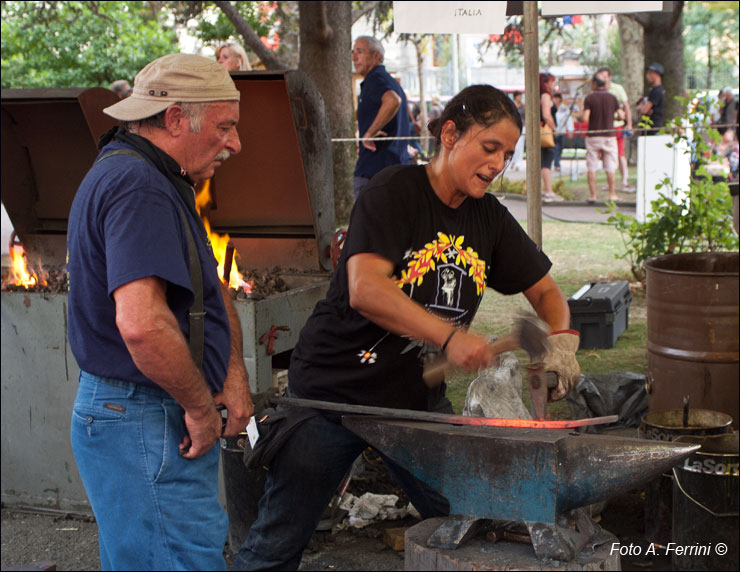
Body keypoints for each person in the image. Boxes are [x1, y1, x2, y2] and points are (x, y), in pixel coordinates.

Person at [234, 84, 581, 571]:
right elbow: (365, 289)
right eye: (489, 147)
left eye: (507, 153)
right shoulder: (393, 192)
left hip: (416, 405)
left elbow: (545, 292)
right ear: (450, 134)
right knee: (277, 544)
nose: (498, 163)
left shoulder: (490, 220)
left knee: (467, 519)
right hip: (334, 397)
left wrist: (563, 339)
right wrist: (450, 337)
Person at [67, 53, 253, 571]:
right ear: (174, 119)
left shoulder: (153, 176)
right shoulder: (138, 185)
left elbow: (207, 286)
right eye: (225, 127)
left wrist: (232, 373)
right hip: (143, 414)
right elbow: (142, 325)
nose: (235, 143)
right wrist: (197, 407)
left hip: (140, 412)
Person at [351, 35, 412, 199]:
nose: (354, 57)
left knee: (367, 224)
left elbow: (392, 100)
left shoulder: (376, 79)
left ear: (376, 55)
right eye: (353, 52)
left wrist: (369, 133)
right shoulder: (388, 81)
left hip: (375, 170)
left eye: (360, 51)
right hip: (393, 168)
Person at [579, 74, 623, 203]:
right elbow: (621, 116)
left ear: (594, 84)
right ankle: (612, 194)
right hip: (609, 135)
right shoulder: (612, 98)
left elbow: (585, 118)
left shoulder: (590, 98)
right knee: (610, 166)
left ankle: (593, 195)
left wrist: (579, 117)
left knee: (592, 166)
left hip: (593, 135)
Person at [597, 66, 634, 191]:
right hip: (603, 128)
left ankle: (624, 180)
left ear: (609, 77)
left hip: (616, 127)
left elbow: (626, 107)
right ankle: (610, 182)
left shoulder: (617, 89)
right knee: (605, 155)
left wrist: (629, 123)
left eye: (604, 76)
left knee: (620, 154)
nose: (602, 78)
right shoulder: (596, 91)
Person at [540, 73, 563, 201]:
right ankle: (549, 190)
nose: (553, 84)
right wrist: (555, 129)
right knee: (546, 163)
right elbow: (546, 115)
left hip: (539, 132)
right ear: (545, 83)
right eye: (552, 82)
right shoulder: (545, 96)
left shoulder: (537, 96)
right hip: (546, 133)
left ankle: (546, 190)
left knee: (543, 162)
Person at [636, 62, 665, 134]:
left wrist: (644, 108)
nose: (647, 76)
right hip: (646, 127)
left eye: (650, 73)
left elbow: (644, 110)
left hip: (653, 128)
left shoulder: (657, 91)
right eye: (647, 73)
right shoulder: (651, 90)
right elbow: (640, 108)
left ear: (657, 75)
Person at [552, 93, 572, 172]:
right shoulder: (551, 108)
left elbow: (568, 118)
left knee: (560, 147)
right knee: (556, 147)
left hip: (562, 131)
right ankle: (557, 164)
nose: (555, 100)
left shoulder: (564, 108)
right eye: (554, 98)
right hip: (553, 131)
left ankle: (557, 161)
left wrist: (570, 129)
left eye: (557, 98)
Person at [511, 90, 525, 171]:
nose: (520, 98)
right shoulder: (512, 105)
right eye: (519, 96)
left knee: (520, 145)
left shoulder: (523, 105)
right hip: (514, 126)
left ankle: (518, 163)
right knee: (514, 145)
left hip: (522, 126)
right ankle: (513, 161)